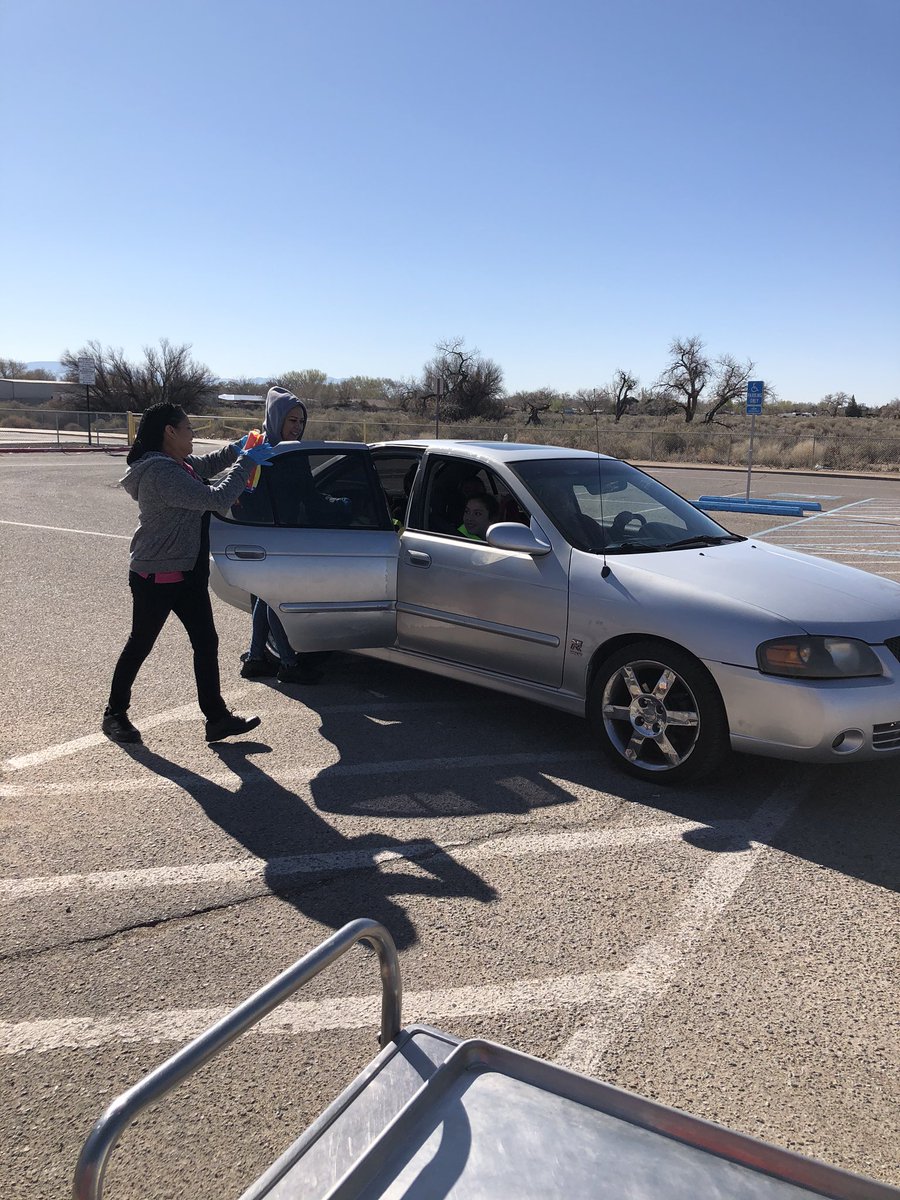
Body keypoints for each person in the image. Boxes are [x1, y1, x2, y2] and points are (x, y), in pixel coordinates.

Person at [102, 403, 274, 745]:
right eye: (188, 428)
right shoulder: (161, 473)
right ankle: (115, 714)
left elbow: (208, 464)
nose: (192, 434)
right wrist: (247, 462)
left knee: (206, 641)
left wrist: (239, 447)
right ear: (169, 432)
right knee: (141, 644)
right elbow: (217, 497)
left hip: (186, 573)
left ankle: (216, 719)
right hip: (156, 575)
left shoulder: (178, 464)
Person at [239, 385, 325, 685]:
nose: (298, 427)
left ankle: (255, 658)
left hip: (279, 534)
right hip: (266, 535)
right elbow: (242, 488)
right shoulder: (259, 448)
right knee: (274, 597)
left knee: (266, 597)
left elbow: (307, 496)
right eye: (292, 421)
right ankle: (288, 662)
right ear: (277, 418)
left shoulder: (291, 452)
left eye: (301, 422)